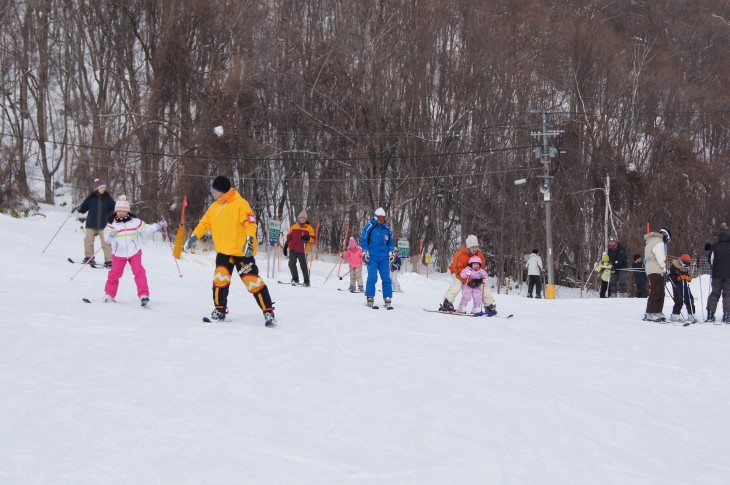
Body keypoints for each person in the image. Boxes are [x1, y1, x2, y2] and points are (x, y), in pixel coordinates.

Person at [184, 176, 275, 326]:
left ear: (222, 190)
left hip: (242, 252)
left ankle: (268, 311)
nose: (213, 192)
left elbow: (250, 223)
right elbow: (204, 224)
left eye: (215, 190)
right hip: (224, 252)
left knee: (252, 281)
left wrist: (250, 239)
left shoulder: (241, 204)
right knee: (220, 280)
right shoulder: (214, 207)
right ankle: (219, 310)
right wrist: (194, 237)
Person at [102, 195, 166, 305]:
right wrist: (110, 235)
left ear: (127, 212)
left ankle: (143, 295)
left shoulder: (135, 222)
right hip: (118, 253)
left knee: (139, 272)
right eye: (119, 211)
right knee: (114, 274)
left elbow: (147, 228)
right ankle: (109, 294)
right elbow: (106, 237)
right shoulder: (112, 223)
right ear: (116, 211)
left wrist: (158, 225)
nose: (121, 213)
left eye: (123, 211)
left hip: (134, 252)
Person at [438, 235, 497, 315]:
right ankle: (447, 302)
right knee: (458, 284)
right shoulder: (459, 255)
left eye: (476, 247)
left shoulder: (479, 254)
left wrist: (480, 278)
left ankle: (489, 305)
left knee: (483, 286)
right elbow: (458, 271)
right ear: (468, 246)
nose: (475, 249)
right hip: (457, 272)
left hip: (474, 274)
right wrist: (469, 280)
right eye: (473, 247)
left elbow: (482, 267)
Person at [74, 178, 115, 268]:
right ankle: (89, 257)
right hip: (91, 223)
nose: (103, 189)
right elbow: (83, 208)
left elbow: (113, 208)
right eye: (101, 187)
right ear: (97, 188)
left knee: (106, 243)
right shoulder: (90, 198)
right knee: (88, 240)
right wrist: (78, 208)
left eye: (104, 187)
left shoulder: (108, 199)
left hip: (104, 224)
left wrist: (111, 216)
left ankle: (109, 261)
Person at [360, 207, 394, 309]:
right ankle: (370, 297)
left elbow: (391, 242)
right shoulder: (369, 227)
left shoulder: (387, 230)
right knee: (372, 277)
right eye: (380, 217)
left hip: (384, 258)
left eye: (383, 217)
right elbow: (363, 240)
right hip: (372, 257)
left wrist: (391, 253)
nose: (382, 219)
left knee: (386, 278)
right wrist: (365, 252)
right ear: (376, 217)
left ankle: (387, 297)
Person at [643, 228, 671, 322]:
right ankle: (651, 312)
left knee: (660, 292)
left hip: (653, 269)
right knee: (656, 291)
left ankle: (658, 311)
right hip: (655, 268)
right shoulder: (658, 242)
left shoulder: (650, 241)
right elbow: (660, 257)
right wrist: (664, 268)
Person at [283, 210, 316, 286]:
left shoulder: (309, 228)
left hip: (303, 250)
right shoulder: (294, 227)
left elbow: (313, 239)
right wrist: (286, 246)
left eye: (303, 218)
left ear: (306, 219)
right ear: (298, 218)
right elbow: (289, 237)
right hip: (293, 249)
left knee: (303, 266)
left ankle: (307, 281)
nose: (302, 219)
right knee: (291, 264)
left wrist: (308, 238)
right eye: (301, 217)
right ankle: (295, 279)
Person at [706, 223, 730, 323]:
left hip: (716, 275)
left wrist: (714, 268)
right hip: (729, 275)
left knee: (715, 293)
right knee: (728, 294)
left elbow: (710, 260)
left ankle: (711, 315)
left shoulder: (714, 247)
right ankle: (727, 315)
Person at [668, 253, 697, 323]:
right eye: (685, 263)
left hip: (684, 284)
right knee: (679, 299)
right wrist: (679, 277)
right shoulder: (674, 266)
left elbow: (687, 276)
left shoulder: (685, 268)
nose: (686, 265)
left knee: (689, 298)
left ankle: (691, 314)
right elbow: (671, 276)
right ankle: (675, 315)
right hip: (677, 285)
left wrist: (688, 278)